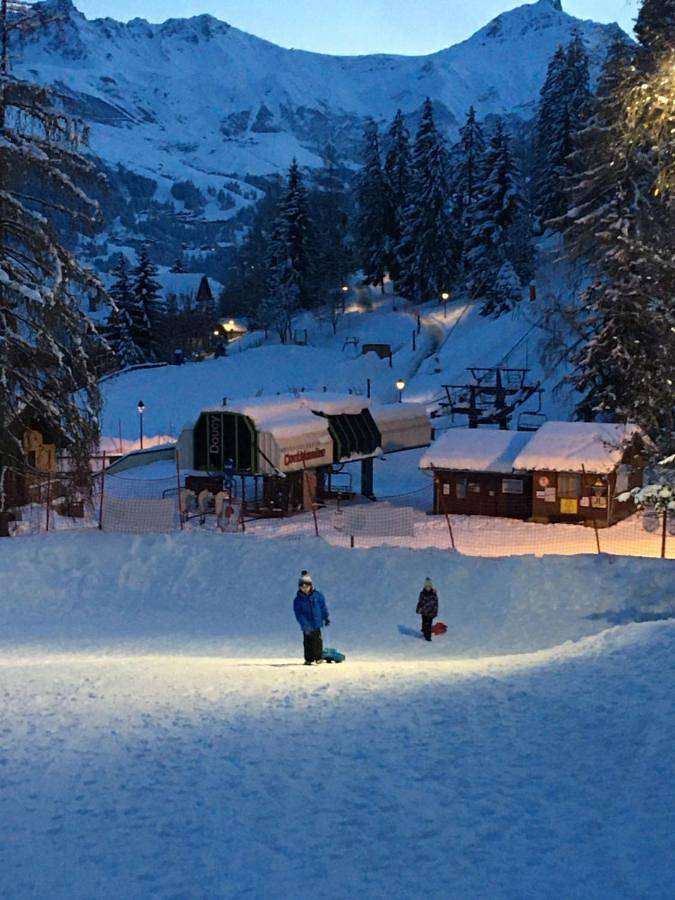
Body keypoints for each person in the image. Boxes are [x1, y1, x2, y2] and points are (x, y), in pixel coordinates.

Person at [293, 571, 330, 665]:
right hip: (306, 626)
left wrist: (326, 617)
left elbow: (323, 607)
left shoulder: (318, 595)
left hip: (317, 623)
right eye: (302, 587)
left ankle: (318, 657)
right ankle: (309, 659)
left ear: (311, 586)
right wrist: (304, 624)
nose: (304, 589)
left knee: (317, 641)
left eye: (306, 587)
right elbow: (299, 614)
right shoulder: (298, 600)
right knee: (307, 642)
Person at [416, 577, 438, 642]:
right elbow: (420, 602)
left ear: (431, 586)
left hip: (431, 612)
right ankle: (424, 631)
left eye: (429, 586)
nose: (428, 588)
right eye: (426, 586)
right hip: (424, 612)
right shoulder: (422, 593)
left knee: (428, 624)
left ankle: (428, 637)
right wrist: (418, 609)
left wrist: (435, 612)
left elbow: (436, 604)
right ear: (425, 586)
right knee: (424, 623)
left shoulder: (434, 594)